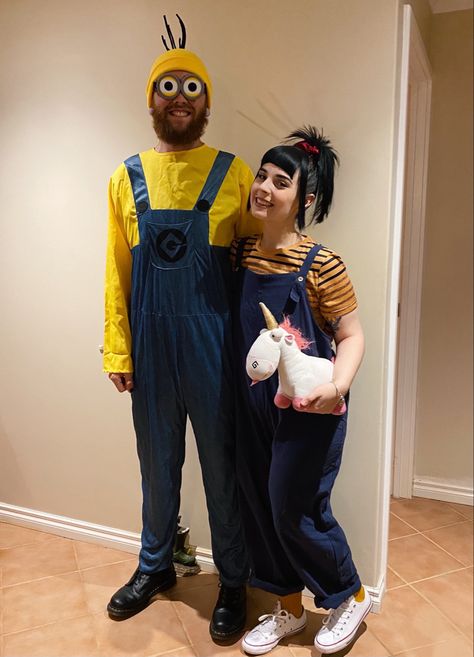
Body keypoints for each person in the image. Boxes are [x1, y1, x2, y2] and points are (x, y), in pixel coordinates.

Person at [103, 16, 258, 640]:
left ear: (207, 103)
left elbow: (257, 271)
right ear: (150, 99)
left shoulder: (235, 173)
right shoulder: (125, 177)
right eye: (167, 87)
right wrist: (118, 347)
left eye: (191, 88)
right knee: (157, 463)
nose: (178, 99)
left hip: (215, 348)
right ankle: (155, 566)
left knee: (222, 467)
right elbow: (115, 273)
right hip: (149, 347)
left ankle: (235, 580)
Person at [231, 126, 370, 655]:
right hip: (252, 407)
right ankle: (288, 608)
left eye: (279, 181)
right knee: (259, 507)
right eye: (261, 176)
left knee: (296, 508)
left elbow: (352, 335)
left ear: (304, 200)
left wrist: (337, 386)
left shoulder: (323, 264)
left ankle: (348, 593)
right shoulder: (241, 254)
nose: (263, 187)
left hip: (312, 408)